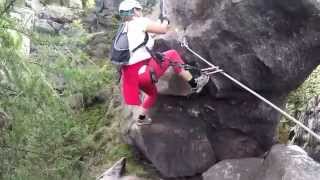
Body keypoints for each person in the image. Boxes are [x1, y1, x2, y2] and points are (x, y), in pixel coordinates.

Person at [118, 0, 209, 125]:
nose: (140, 12)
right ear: (134, 10)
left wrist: (160, 23)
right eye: (139, 9)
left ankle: (141, 118)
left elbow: (150, 31)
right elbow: (162, 30)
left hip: (131, 77)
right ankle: (195, 84)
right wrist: (165, 21)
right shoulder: (139, 22)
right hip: (144, 73)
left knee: (152, 94)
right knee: (172, 54)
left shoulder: (123, 30)